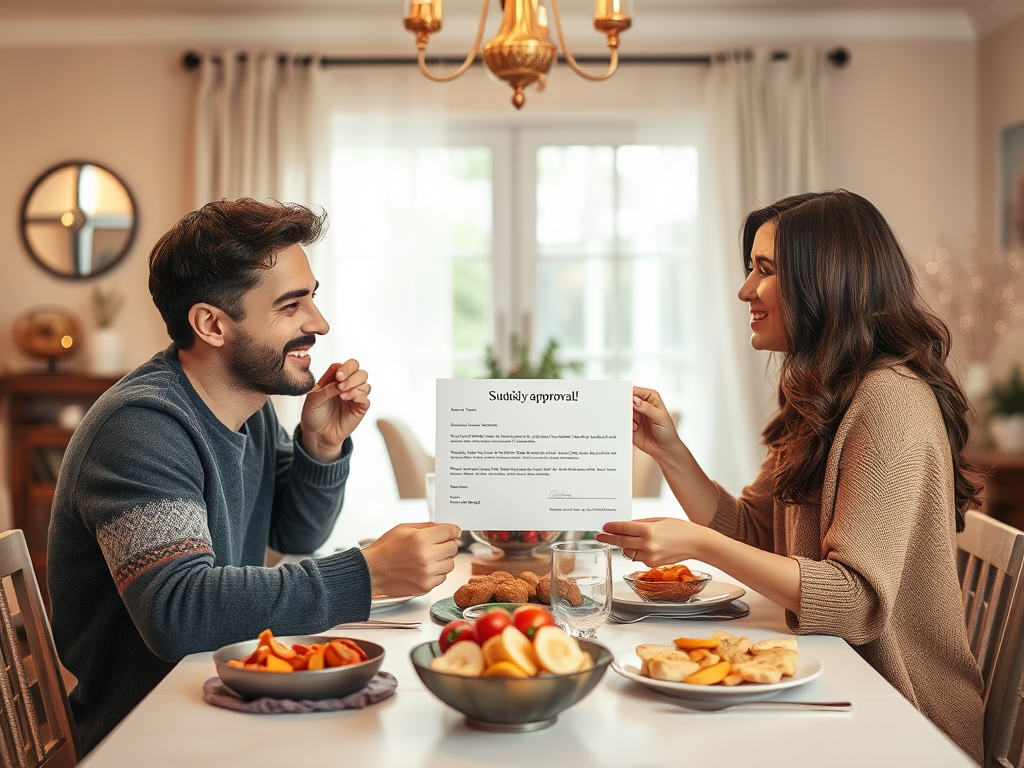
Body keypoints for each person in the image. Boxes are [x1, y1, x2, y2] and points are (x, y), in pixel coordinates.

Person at [47, 198, 462, 754]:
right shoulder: (143, 427)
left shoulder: (249, 407)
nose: (319, 324)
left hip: (221, 695)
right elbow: (178, 610)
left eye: (312, 298)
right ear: (212, 324)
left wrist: (320, 446)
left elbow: (295, 535)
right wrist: (366, 575)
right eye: (291, 306)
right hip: (148, 732)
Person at [597, 190, 984, 764]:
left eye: (765, 270)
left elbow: (853, 602)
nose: (745, 289)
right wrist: (669, 452)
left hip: (903, 718)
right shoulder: (824, 392)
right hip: (836, 682)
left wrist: (698, 543)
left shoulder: (890, 402)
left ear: (823, 282)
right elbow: (754, 530)